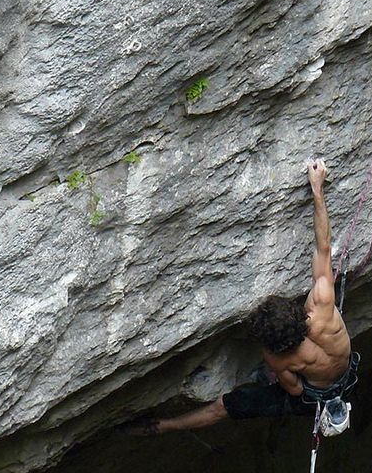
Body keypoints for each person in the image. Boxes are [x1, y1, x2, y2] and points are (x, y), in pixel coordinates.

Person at [128, 159, 356, 435]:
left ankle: (165, 425)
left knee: (223, 407)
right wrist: (317, 189)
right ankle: (166, 426)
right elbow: (324, 247)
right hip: (346, 376)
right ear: (297, 312)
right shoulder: (322, 306)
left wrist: (277, 369)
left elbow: (296, 390)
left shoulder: (279, 360)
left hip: (311, 399)